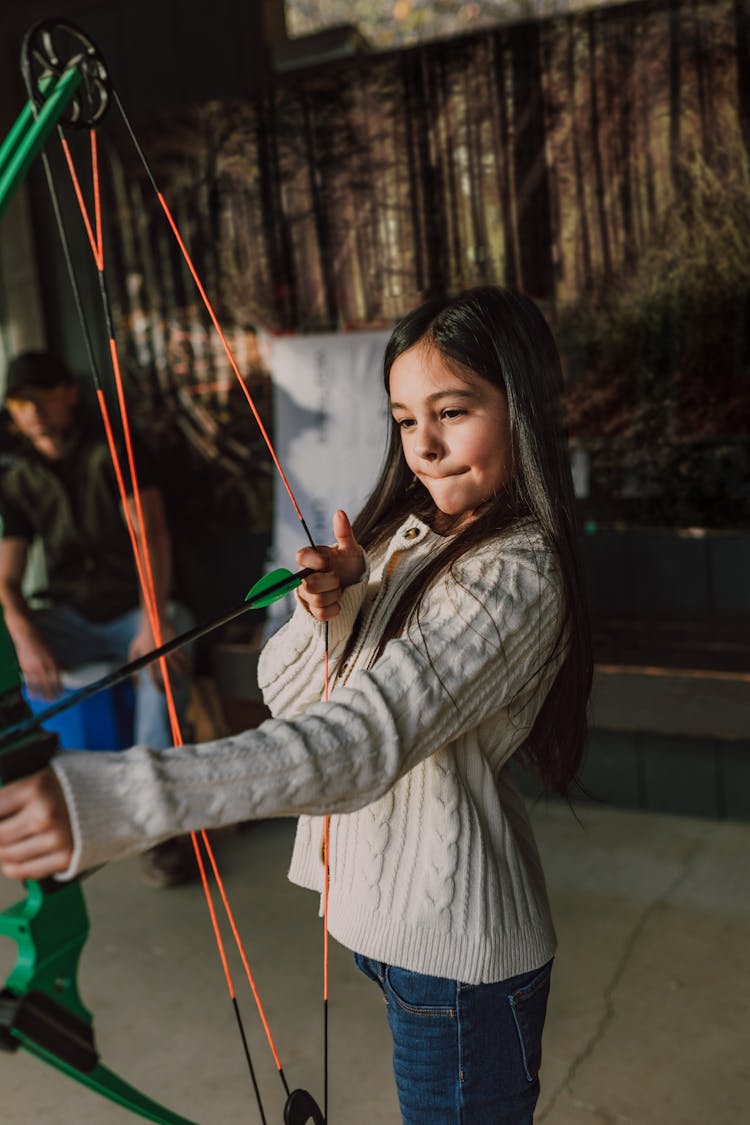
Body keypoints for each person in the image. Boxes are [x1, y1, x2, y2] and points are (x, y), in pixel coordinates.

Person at [0, 288, 592, 1123]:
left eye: (452, 411)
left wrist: (122, 799)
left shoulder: (515, 572)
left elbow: (358, 738)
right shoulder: (412, 536)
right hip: (397, 930)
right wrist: (334, 609)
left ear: (520, 404)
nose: (423, 446)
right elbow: (287, 689)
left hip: (459, 955)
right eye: (404, 418)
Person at [0, 350, 195, 889]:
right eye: (20, 403)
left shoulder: (115, 449)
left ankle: (157, 824)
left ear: (68, 393)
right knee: (4, 646)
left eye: (41, 397)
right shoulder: (18, 481)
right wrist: (23, 636)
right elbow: (7, 583)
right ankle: (34, 798)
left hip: (134, 607)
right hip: (71, 616)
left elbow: (150, 534)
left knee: (166, 651)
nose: (32, 412)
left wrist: (150, 622)